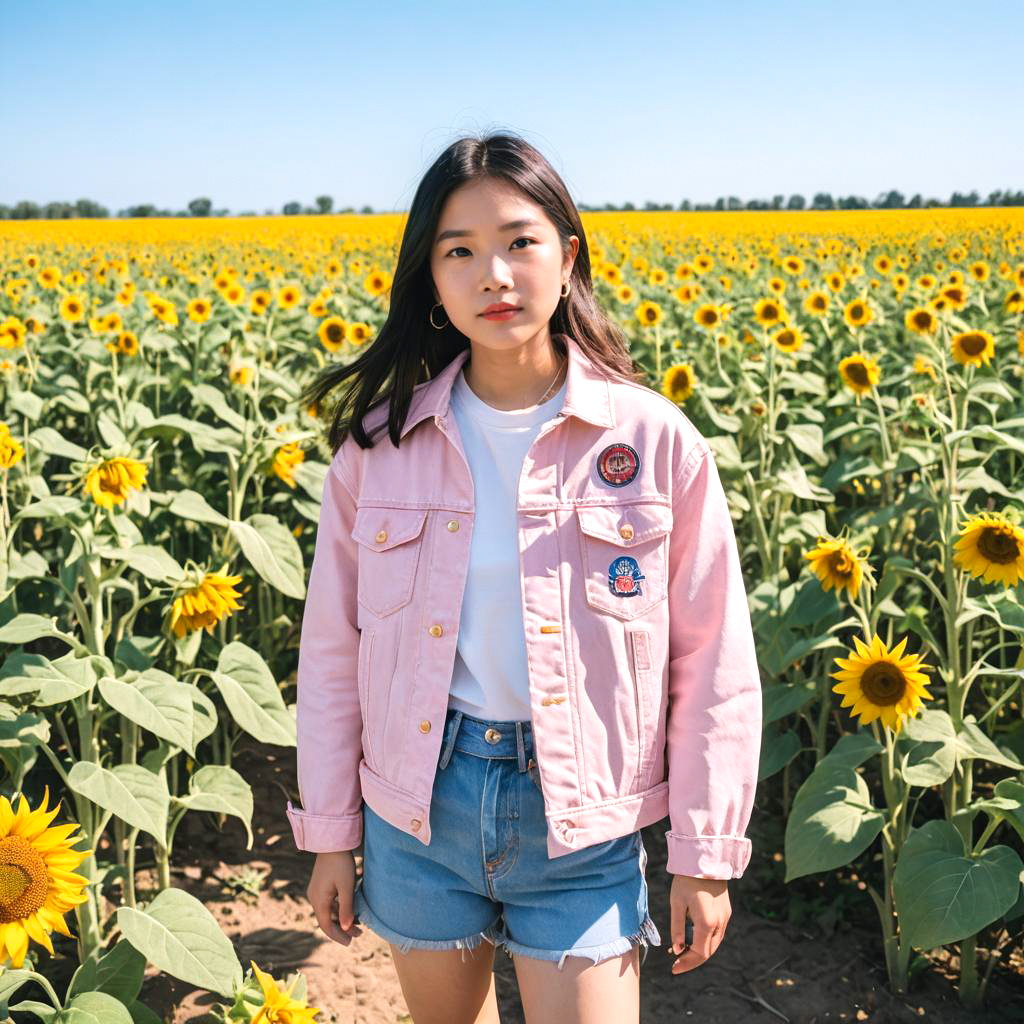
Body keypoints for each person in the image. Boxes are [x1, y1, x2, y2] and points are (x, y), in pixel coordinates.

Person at [286, 131, 762, 1024]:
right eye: (458, 252)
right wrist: (330, 836)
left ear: (568, 252)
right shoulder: (379, 448)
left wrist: (704, 851)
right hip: (419, 808)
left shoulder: (652, 442)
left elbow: (714, 663)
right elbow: (331, 654)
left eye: (518, 241)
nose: (492, 275)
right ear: (430, 277)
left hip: (581, 818)